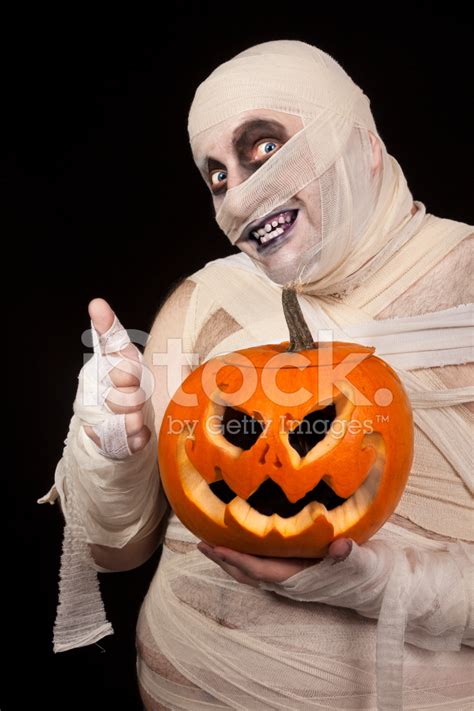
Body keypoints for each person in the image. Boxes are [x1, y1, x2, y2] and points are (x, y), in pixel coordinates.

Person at [39, 40, 473, 710]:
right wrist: (108, 452)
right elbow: (113, 550)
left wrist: (385, 583)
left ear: (359, 141)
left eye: (263, 149)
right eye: (216, 175)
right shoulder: (206, 299)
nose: (238, 200)